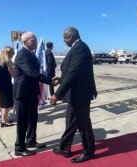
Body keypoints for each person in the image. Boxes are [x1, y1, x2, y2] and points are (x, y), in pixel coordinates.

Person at [50, 27, 97, 163]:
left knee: (83, 124)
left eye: (65, 38)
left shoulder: (80, 48)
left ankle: (88, 151)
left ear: (72, 36)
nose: (64, 41)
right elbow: (70, 71)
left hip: (80, 94)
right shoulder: (76, 47)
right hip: (75, 94)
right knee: (70, 121)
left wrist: (56, 95)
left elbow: (73, 73)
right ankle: (65, 147)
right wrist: (61, 79)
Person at [13, 32, 57, 156]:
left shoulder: (30, 54)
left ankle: (31, 141)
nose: (36, 42)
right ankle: (19, 148)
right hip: (23, 93)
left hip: (32, 92)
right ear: (25, 42)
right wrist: (49, 80)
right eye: (34, 40)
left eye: (36, 39)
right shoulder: (22, 55)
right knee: (22, 121)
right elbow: (32, 73)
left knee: (33, 118)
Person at [0, 46, 15, 127]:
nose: (13, 54)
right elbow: (13, 74)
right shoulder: (8, 62)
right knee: (6, 104)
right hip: (6, 84)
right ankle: (4, 120)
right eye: (12, 52)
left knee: (3, 103)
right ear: (8, 53)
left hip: (0, 84)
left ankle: (4, 119)